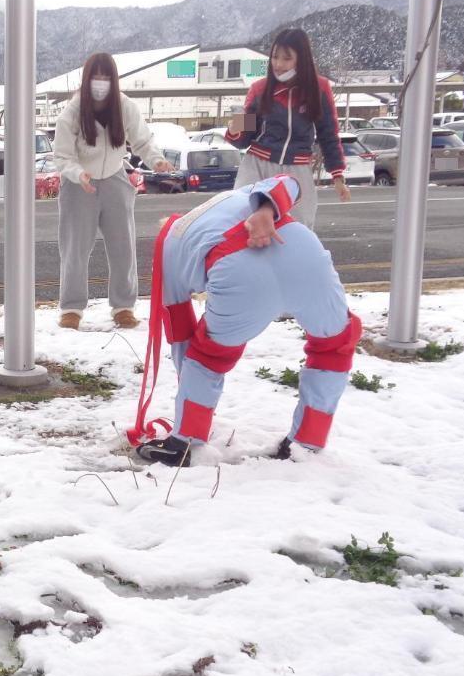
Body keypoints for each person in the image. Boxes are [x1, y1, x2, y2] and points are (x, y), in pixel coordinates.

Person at [124, 173, 361, 467]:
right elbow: (291, 182)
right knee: (334, 346)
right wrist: (265, 210)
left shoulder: (168, 249)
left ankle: (184, 443)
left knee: (208, 356)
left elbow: (181, 334)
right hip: (302, 251)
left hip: (237, 274)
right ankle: (308, 441)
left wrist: (191, 393)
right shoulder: (232, 197)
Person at [53, 52, 174, 330]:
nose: (101, 83)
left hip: (115, 179)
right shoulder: (72, 111)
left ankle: (123, 306)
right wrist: (77, 173)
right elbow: (62, 156)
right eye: (96, 77)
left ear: (114, 80)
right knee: (74, 248)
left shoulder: (124, 106)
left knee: (123, 246)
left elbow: (142, 139)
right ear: (87, 80)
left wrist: (156, 159)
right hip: (78, 183)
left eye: (106, 78)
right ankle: (71, 308)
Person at [226, 28, 350, 228]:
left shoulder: (319, 89)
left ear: (301, 59)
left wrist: (337, 175)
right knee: (243, 224)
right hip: (257, 165)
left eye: (286, 58)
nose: (278, 64)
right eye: (274, 57)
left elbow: (328, 133)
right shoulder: (259, 88)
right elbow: (244, 135)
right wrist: (234, 128)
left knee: (297, 227)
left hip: (297, 170)